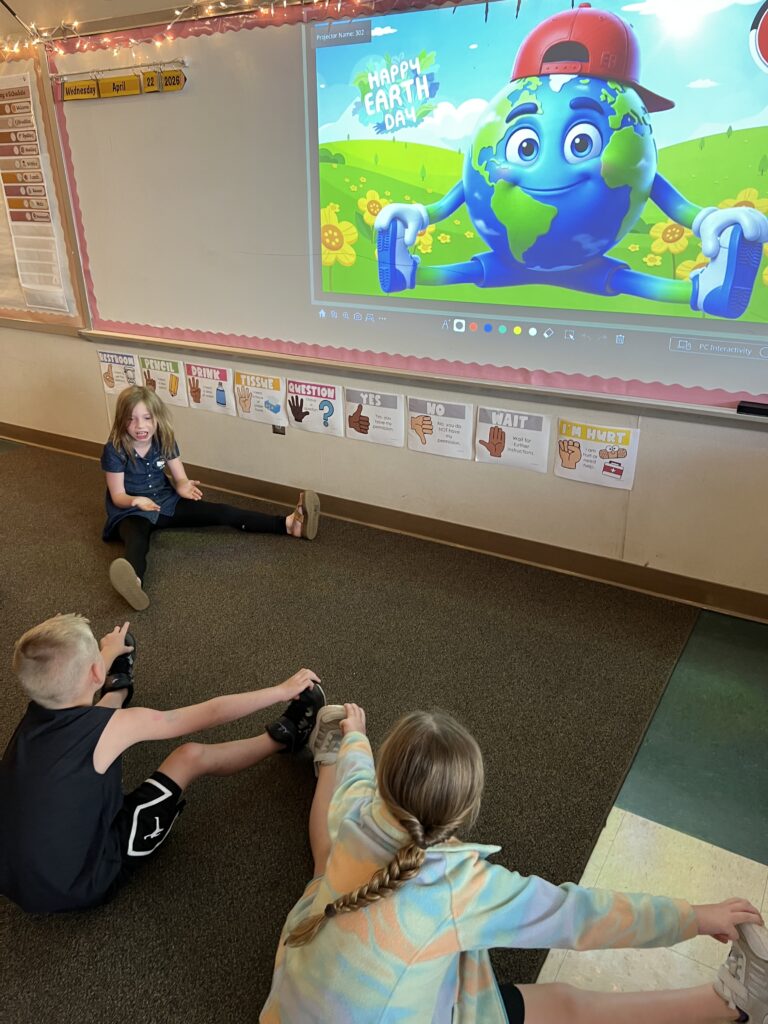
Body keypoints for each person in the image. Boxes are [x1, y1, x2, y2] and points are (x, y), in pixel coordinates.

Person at [261, 706, 768, 1024]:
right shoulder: (465, 887)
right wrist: (696, 917)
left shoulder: (357, 811)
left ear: (384, 784)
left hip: (287, 1009)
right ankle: (732, 1005)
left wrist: (352, 734)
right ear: (467, 811)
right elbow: (581, 916)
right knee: (566, 1005)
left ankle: (323, 756)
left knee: (328, 868)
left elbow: (355, 776)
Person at [0, 614, 325, 914]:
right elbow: (209, 713)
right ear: (96, 672)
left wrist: (107, 654)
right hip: (82, 882)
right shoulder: (114, 728)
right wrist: (281, 691)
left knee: (102, 725)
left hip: (13, 878)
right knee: (189, 756)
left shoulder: (35, 715)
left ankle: (118, 690)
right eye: (99, 657)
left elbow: (85, 713)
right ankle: (284, 738)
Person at [101, 385, 320, 610]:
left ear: (157, 417)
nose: (140, 426)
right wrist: (135, 501)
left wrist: (183, 485)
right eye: (131, 419)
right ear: (122, 420)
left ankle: (289, 525)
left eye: (147, 418)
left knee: (222, 512)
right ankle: (135, 584)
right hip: (131, 510)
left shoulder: (164, 439)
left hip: (165, 503)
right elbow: (118, 496)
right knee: (137, 541)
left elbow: (180, 478)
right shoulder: (115, 449)